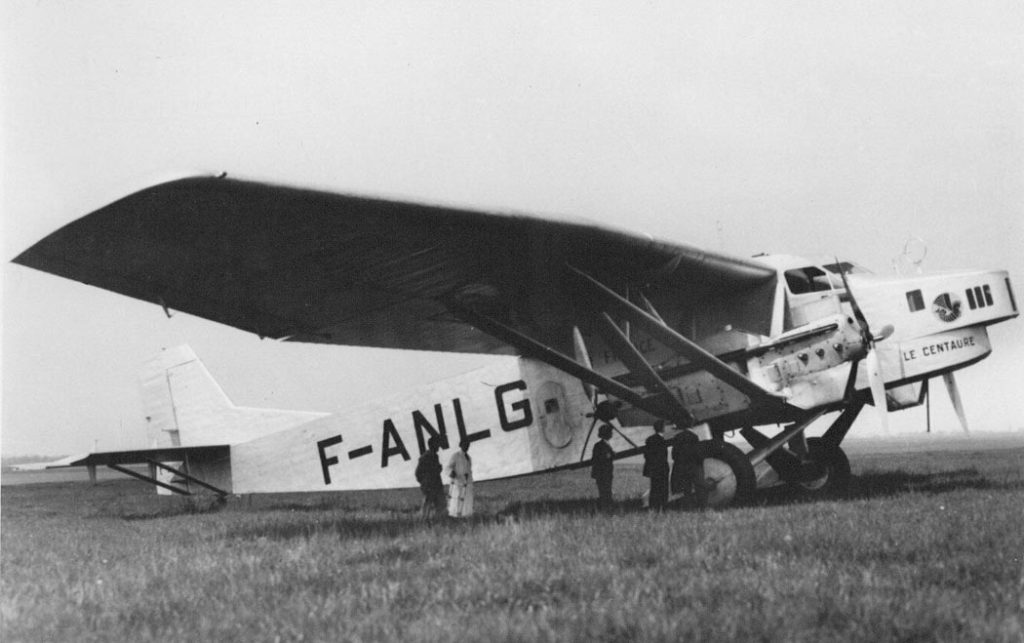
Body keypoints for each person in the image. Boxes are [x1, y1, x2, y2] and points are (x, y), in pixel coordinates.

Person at [671, 430, 705, 505]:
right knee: (699, 487)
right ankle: (701, 506)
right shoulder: (694, 436)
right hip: (693, 466)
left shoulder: (677, 437)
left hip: (682, 466)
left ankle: (687, 506)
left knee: (686, 488)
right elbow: (697, 453)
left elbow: (674, 455)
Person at [415, 436, 446, 519]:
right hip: (430, 486)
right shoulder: (426, 457)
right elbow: (418, 473)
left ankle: (437, 521)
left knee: (439, 505)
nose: (438, 446)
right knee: (428, 505)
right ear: (432, 445)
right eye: (437, 444)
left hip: (435, 485)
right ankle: (426, 521)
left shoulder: (434, 456)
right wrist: (425, 483)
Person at [643, 420, 670, 511]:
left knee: (654, 489)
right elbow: (663, 456)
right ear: (662, 428)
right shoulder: (662, 440)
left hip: (653, 469)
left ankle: (653, 507)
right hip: (662, 469)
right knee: (664, 489)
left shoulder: (649, 439)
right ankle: (663, 507)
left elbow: (646, 455)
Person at [445, 439, 474, 517]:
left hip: (467, 482)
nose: (466, 446)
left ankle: (467, 516)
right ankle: (455, 516)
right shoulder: (456, 455)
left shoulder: (469, 458)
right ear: (460, 445)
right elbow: (448, 467)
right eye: (465, 444)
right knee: (457, 499)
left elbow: (469, 470)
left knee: (467, 500)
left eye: (468, 445)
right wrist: (451, 472)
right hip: (458, 481)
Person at [590, 424, 615, 510]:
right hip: (603, 473)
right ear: (607, 434)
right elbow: (600, 458)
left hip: (605, 473)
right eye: (610, 432)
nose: (612, 434)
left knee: (605, 491)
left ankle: (604, 506)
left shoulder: (601, 445)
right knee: (605, 491)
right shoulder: (601, 446)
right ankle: (604, 507)